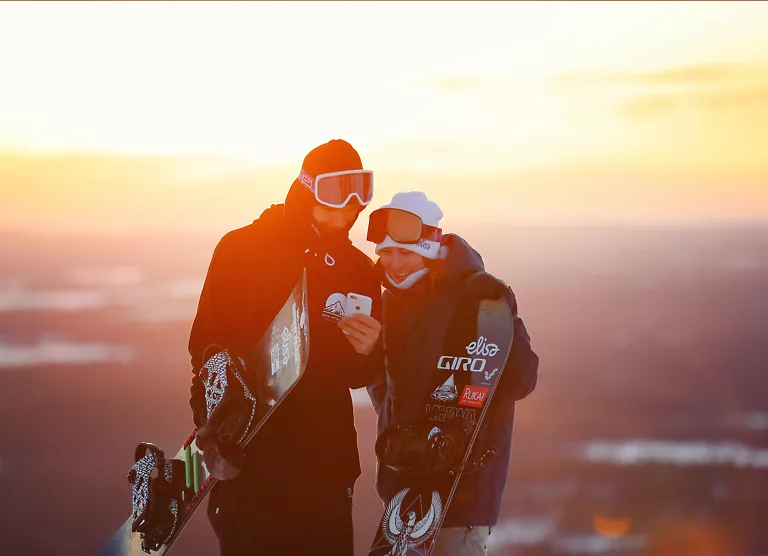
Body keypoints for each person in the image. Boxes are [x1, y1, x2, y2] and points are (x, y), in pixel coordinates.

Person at [188, 139, 384, 556]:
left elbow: (355, 375)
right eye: (337, 192)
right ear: (307, 187)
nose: (350, 206)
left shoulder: (357, 269)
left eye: (359, 193)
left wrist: (370, 353)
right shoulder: (243, 249)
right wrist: (212, 427)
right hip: (252, 462)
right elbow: (205, 346)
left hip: (325, 468)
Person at [366, 191, 539, 556]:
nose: (394, 263)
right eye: (386, 252)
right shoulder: (391, 303)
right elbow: (385, 383)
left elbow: (522, 381)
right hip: (404, 483)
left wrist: (505, 313)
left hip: (462, 490)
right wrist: (396, 422)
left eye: (406, 252)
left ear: (429, 248)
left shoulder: (478, 298)